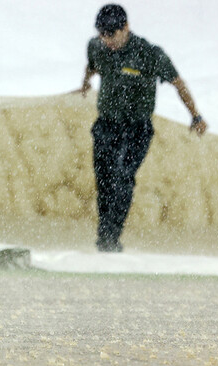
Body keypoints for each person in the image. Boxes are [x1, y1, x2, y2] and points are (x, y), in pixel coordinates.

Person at [77, 4, 207, 252]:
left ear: (125, 27)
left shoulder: (149, 54)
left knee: (123, 178)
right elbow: (91, 66)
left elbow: (178, 83)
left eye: (111, 34)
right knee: (104, 180)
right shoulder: (96, 46)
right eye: (102, 34)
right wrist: (84, 86)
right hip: (106, 125)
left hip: (137, 129)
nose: (107, 40)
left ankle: (111, 239)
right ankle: (104, 236)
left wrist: (196, 116)